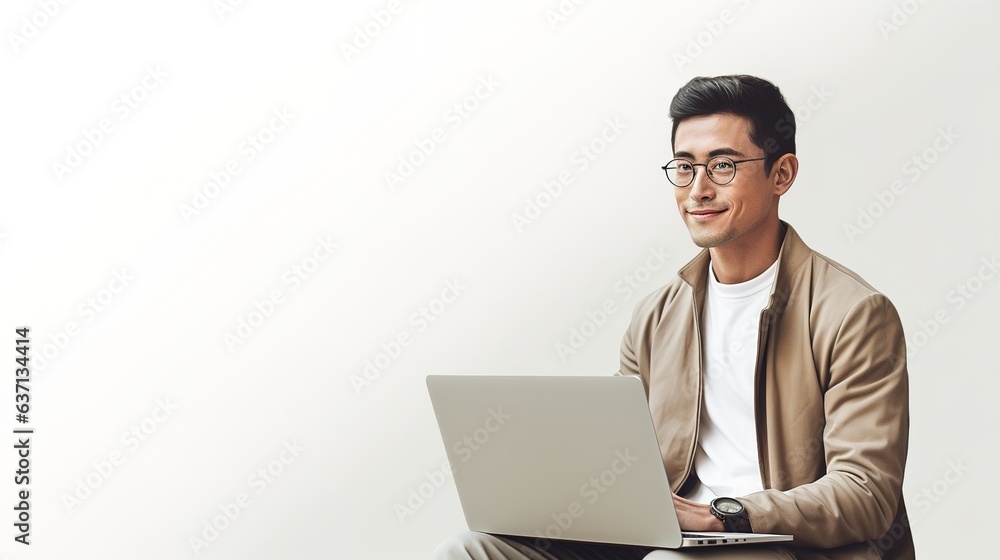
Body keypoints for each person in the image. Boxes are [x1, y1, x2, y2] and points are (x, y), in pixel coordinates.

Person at [432, 75, 914, 559]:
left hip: (784, 546)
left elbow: (866, 493)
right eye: (684, 168)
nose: (697, 190)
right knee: (469, 550)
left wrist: (721, 515)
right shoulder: (655, 318)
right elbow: (622, 465)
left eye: (722, 165)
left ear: (781, 174)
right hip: (670, 538)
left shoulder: (853, 313)